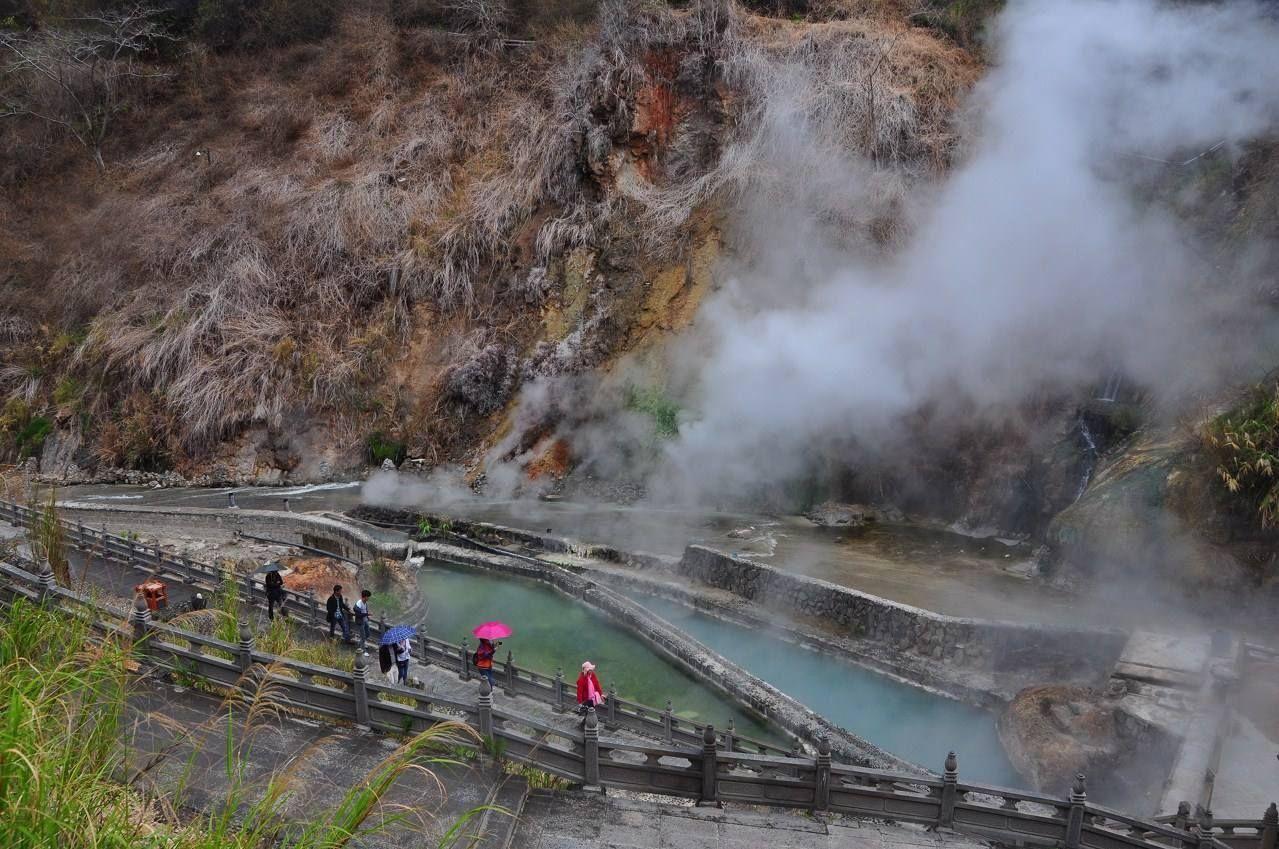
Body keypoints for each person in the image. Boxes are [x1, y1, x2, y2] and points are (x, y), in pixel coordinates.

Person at [353, 589, 372, 654]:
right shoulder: (358, 604)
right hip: (360, 622)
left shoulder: (365, 603)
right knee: (363, 636)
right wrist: (367, 614)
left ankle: (361, 643)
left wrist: (367, 616)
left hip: (365, 621)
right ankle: (362, 651)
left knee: (368, 634)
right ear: (365, 597)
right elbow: (358, 615)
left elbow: (365, 611)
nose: (369, 598)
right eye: (368, 597)